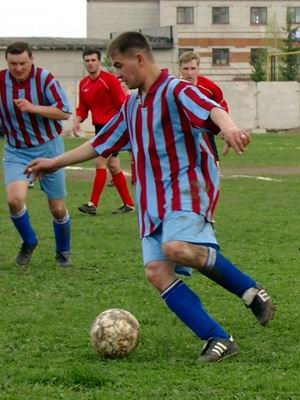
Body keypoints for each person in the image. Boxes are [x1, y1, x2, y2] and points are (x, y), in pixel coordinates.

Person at [25, 32, 275, 362]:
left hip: (186, 189)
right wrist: (54, 161)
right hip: (152, 201)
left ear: (139, 59)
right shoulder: (132, 105)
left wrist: (228, 127)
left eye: (118, 65)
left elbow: (211, 108)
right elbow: (101, 143)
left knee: (176, 248)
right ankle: (217, 338)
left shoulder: (176, 90)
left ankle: (249, 290)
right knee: (157, 271)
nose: (116, 74)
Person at [0, 41, 72, 267]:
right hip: (16, 150)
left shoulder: (44, 79)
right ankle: (29, 242)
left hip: (49, 149)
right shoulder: (1, 82)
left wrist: (33, 107)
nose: (18, 68)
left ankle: (63, 252)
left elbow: (64, 112)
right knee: (14, 200)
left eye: (23, 63)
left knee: (57, 208)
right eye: (13, 64)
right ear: (7, 62)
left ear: (31, 59)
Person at [72, 48, 134, 215]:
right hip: (100, 128)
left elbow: (122, 104)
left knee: (100, 162)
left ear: (99, 61)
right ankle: (128, 204)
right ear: (84, 62)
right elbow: (83, 108)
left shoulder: (110, 80)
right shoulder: (83, 83)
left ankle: (92, 204)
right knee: (113, 166)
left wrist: (124, 127)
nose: (90, 63)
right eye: (87, 60)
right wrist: (77, 120)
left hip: (112, 128)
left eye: (93, 60)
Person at [179, 51, 229, 162]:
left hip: (205, 134)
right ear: (180, 69)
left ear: (198, 69)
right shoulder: (173, 88)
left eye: (193, 68)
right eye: (186, 69)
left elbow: (222, 108)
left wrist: (224, 128)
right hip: (181, 136)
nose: (189, 73)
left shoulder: (210, 88)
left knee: (213, 166)